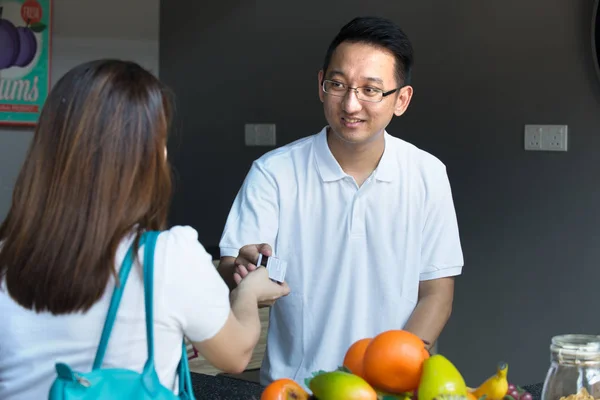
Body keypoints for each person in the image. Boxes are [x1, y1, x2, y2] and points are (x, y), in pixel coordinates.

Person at [0, 59, 289, 400]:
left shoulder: (8, 250)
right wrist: (248, 294)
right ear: (145, 156)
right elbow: (236, 354)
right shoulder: (167, 255)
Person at [217, 16, 464, 387]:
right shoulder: (274, 173)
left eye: (370, 90)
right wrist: (242, 269)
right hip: (294, 390)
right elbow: (230, 265)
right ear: (321, 85)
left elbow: (436, 293)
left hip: (393, 388)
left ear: (401, 100)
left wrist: (392, 373)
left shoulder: (427, 175)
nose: (351, 104)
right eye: (338, 85)